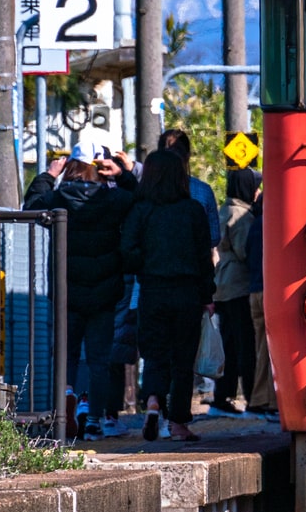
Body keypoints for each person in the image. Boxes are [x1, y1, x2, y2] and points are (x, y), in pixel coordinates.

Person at [26, 144, 137, 438]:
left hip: (68, 290)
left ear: (70, 166)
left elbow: (30, 206)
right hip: (104, 291)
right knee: (99, 359)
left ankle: (66, 408)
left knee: (67, 354)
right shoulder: (113, 199)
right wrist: (123, 173)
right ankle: (95, 420)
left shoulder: (58, 197)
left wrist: (49, 175)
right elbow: (140, 200)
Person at [121, 149, 214, 441]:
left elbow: (127, 251)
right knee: (183, 360)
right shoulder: (193, 210)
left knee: (155, 355)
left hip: (152, 289)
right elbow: (204, 258)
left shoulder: (140, 210)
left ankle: (151, 403)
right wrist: (207, 295)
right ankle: (178, 424)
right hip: (187, 291)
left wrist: (146, 265)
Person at [213, 169, 261, 413]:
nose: (258, 191)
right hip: (238, 285)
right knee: (246, 345)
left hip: (222, 284)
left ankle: (222, 396)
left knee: (229, 344)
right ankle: (253, 396)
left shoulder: (225, 208)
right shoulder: (240, 214)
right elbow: (245, 250)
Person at [157, 129, 221, 247]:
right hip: (195, 262)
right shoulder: (203, 191)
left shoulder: (148, 191)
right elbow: (214, 237)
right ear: (188, 156)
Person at [244, 185, 276, 415]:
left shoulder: (254, 224)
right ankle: (265, 399)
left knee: (260, 347)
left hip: (253, 291)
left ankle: (260, 398)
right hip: (268, 291)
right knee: (269, 349)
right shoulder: (272, 225)